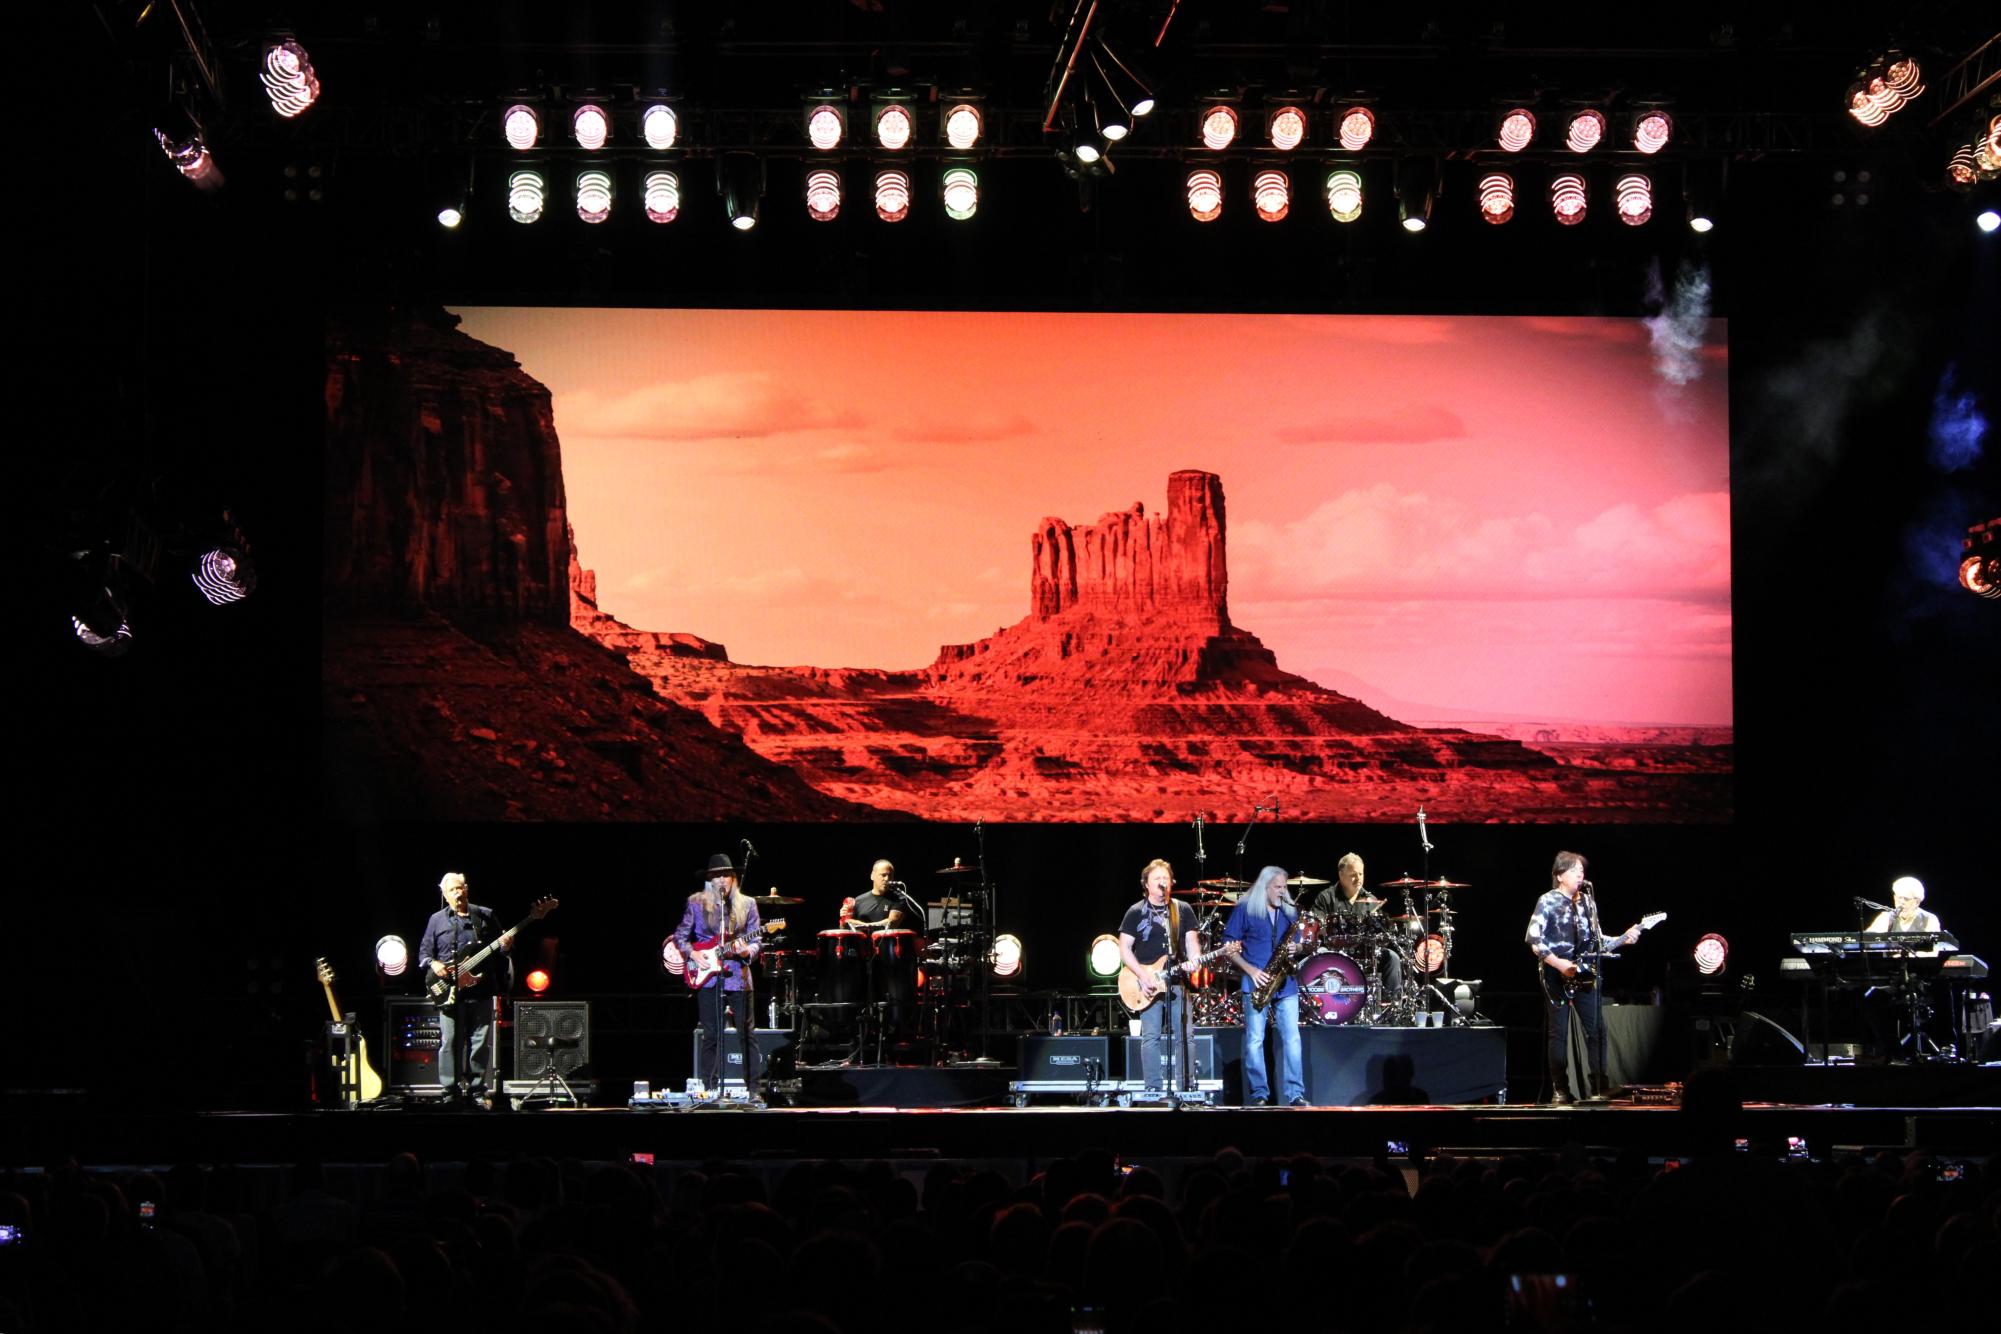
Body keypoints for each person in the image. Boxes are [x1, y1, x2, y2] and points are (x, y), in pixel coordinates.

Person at [1523, 852, 1642, 1104]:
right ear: (1559, 876)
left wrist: (1624, 937)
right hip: (1556, 975)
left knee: (1597, 1029)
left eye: (1582, 870)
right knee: (1559, 1034)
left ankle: (1598, 1086)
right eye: (1575, 870)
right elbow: (1534, 940)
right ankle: (1560, 1090)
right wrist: (1559, 964)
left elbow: (1599, 942)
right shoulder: (1547, 901)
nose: (1581, 874)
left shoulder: (1588, 902)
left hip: (1585, 974)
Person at [674, 853, 766, 1103]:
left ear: (734, 879)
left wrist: (747, 950)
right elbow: (680, 937)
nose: (722, 880)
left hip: (739, 976)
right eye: (717, 875)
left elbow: (756, 940)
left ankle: (754, 1089)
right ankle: (708, 1088)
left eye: (726, 875)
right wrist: (693, 953)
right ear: (709, 880)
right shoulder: (696, 903)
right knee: (711, 1034)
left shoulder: (747, 904)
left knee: (746, 1033)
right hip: (707, 976)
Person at [418, 872, 511, 1105]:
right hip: (448, 991)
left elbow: (501, 951)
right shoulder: (436, 920)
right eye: (452, 890)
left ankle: (478, 1090)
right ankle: (449, 1091)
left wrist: (506, 946)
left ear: (467, 888)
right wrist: (434, 963)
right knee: (449, 1042)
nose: (457, 893)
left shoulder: (484, 915)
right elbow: (424, 954)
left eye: (460, 888)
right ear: (444, 894)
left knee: (479, 1042)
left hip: (480, 990)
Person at [1118, 859, 1203, 1096]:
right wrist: (1142, 974)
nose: (1162, 882)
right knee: (1151, 1036)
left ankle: (1185, 1087)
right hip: (1147, 984)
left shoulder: (1181, 909)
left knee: (1185, 1036)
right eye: (1157, 879)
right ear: (1146, 884)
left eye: (1166, 878)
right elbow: (1124, 949)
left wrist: (1195, 958)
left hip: (1177, 982)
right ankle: (1153, 1089)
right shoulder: (1135, 912)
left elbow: (1191, 942)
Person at [1225, 866, 1309, 1106]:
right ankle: (1260, 1094)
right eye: (1278, 888)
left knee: (1292, 1038)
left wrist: (1299, 948)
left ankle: (1295, 1094)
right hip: (1256, 982)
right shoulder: (1245, 909)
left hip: (1286, 983)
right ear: (1265, 888)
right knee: (1254, 1039)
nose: (1282, 892)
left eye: (1285, 887)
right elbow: (1229, 945)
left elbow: (1303, 943)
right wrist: (1251, 970)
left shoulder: (1290, 912)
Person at [1323, 851, 1404, 1010]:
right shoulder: (1326, 897)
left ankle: (1393, 1008)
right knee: (1319, 954)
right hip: (1335, 950)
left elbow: (1378, 932)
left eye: (1360, 874)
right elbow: (1318, 926)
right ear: (1341, 875)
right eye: (1353, 874)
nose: (1358, 878)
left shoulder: (1370, 900)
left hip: (1365, 951)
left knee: (1392, 957)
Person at [841, 859, 911, 931]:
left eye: (890, 876)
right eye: (883, 875)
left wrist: (864, 925)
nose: (887, 879)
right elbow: (844, 927)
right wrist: (844, 917)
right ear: (872, 876)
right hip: (862, 942)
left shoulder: (899, 897)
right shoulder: (858, 900)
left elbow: (891, 923)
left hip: (887, 942)